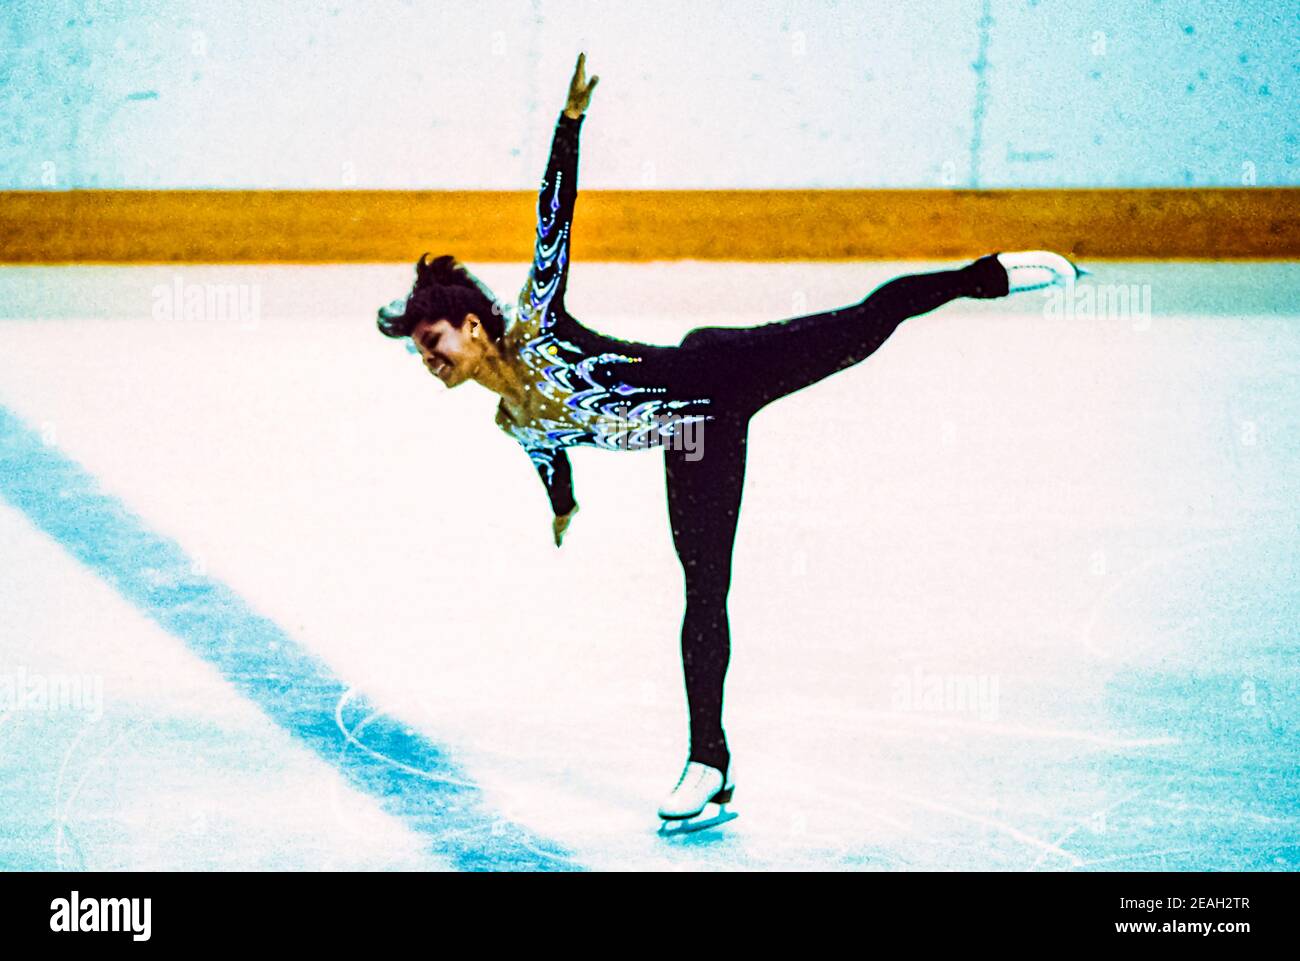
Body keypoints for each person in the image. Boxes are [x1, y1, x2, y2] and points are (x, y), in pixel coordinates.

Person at [376, 52, 1086, 824]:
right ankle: (709, 763)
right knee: (704, 592)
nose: (428, 357)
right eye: (418, 346)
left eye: (433, 338)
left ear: (474, 326)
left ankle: (987, 276)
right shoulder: (513, 419)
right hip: (693, 440)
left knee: (863, 325)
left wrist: (569, 123)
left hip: (719, 372)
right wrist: (563, 507)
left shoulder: (539, 322)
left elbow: (555, 219)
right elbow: (550, 458)